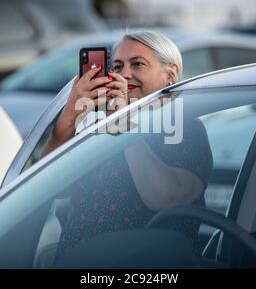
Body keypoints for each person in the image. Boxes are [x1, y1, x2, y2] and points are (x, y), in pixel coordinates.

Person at [41, 31, 213, 259]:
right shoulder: (101, 128)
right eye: (118, 66)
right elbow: (48, 188)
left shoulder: (185, 127)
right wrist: (69, 117)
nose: (125, 74)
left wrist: (124, 125)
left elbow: (164, 197)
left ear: (170, 74)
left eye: (137, 64)